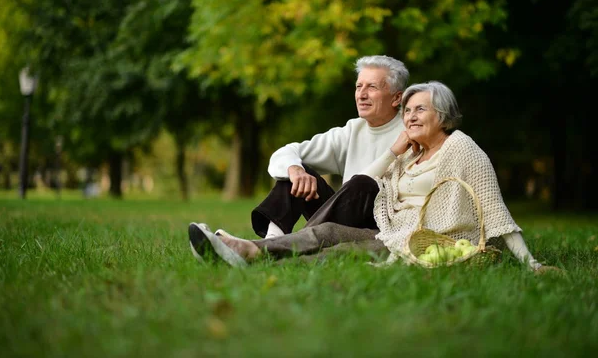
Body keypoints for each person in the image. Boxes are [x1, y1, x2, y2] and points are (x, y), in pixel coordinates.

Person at [189, 81, 561, 274]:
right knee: (324, 231)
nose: (411, 117)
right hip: (386, 228)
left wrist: (530, 263)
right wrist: (394, 151)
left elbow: (495, 211)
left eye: (421, 110)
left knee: (342, 251)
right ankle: (248, 249)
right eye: (410, 110)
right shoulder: (405, 151)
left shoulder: (462, 149)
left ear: (444, 117)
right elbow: (360, 184)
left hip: (416, 239)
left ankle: (252, 255)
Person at [220, 54, 409, 243]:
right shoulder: (353, 130)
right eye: (359, 86)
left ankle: (272, 246)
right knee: (294, 172)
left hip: (380, 226)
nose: (361, 94)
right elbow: (286, 153)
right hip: (342, 218)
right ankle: (272, 240)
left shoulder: (412, 132)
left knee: (362, 184)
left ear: (396, 98)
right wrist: (295, 170)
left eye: (372, 87)